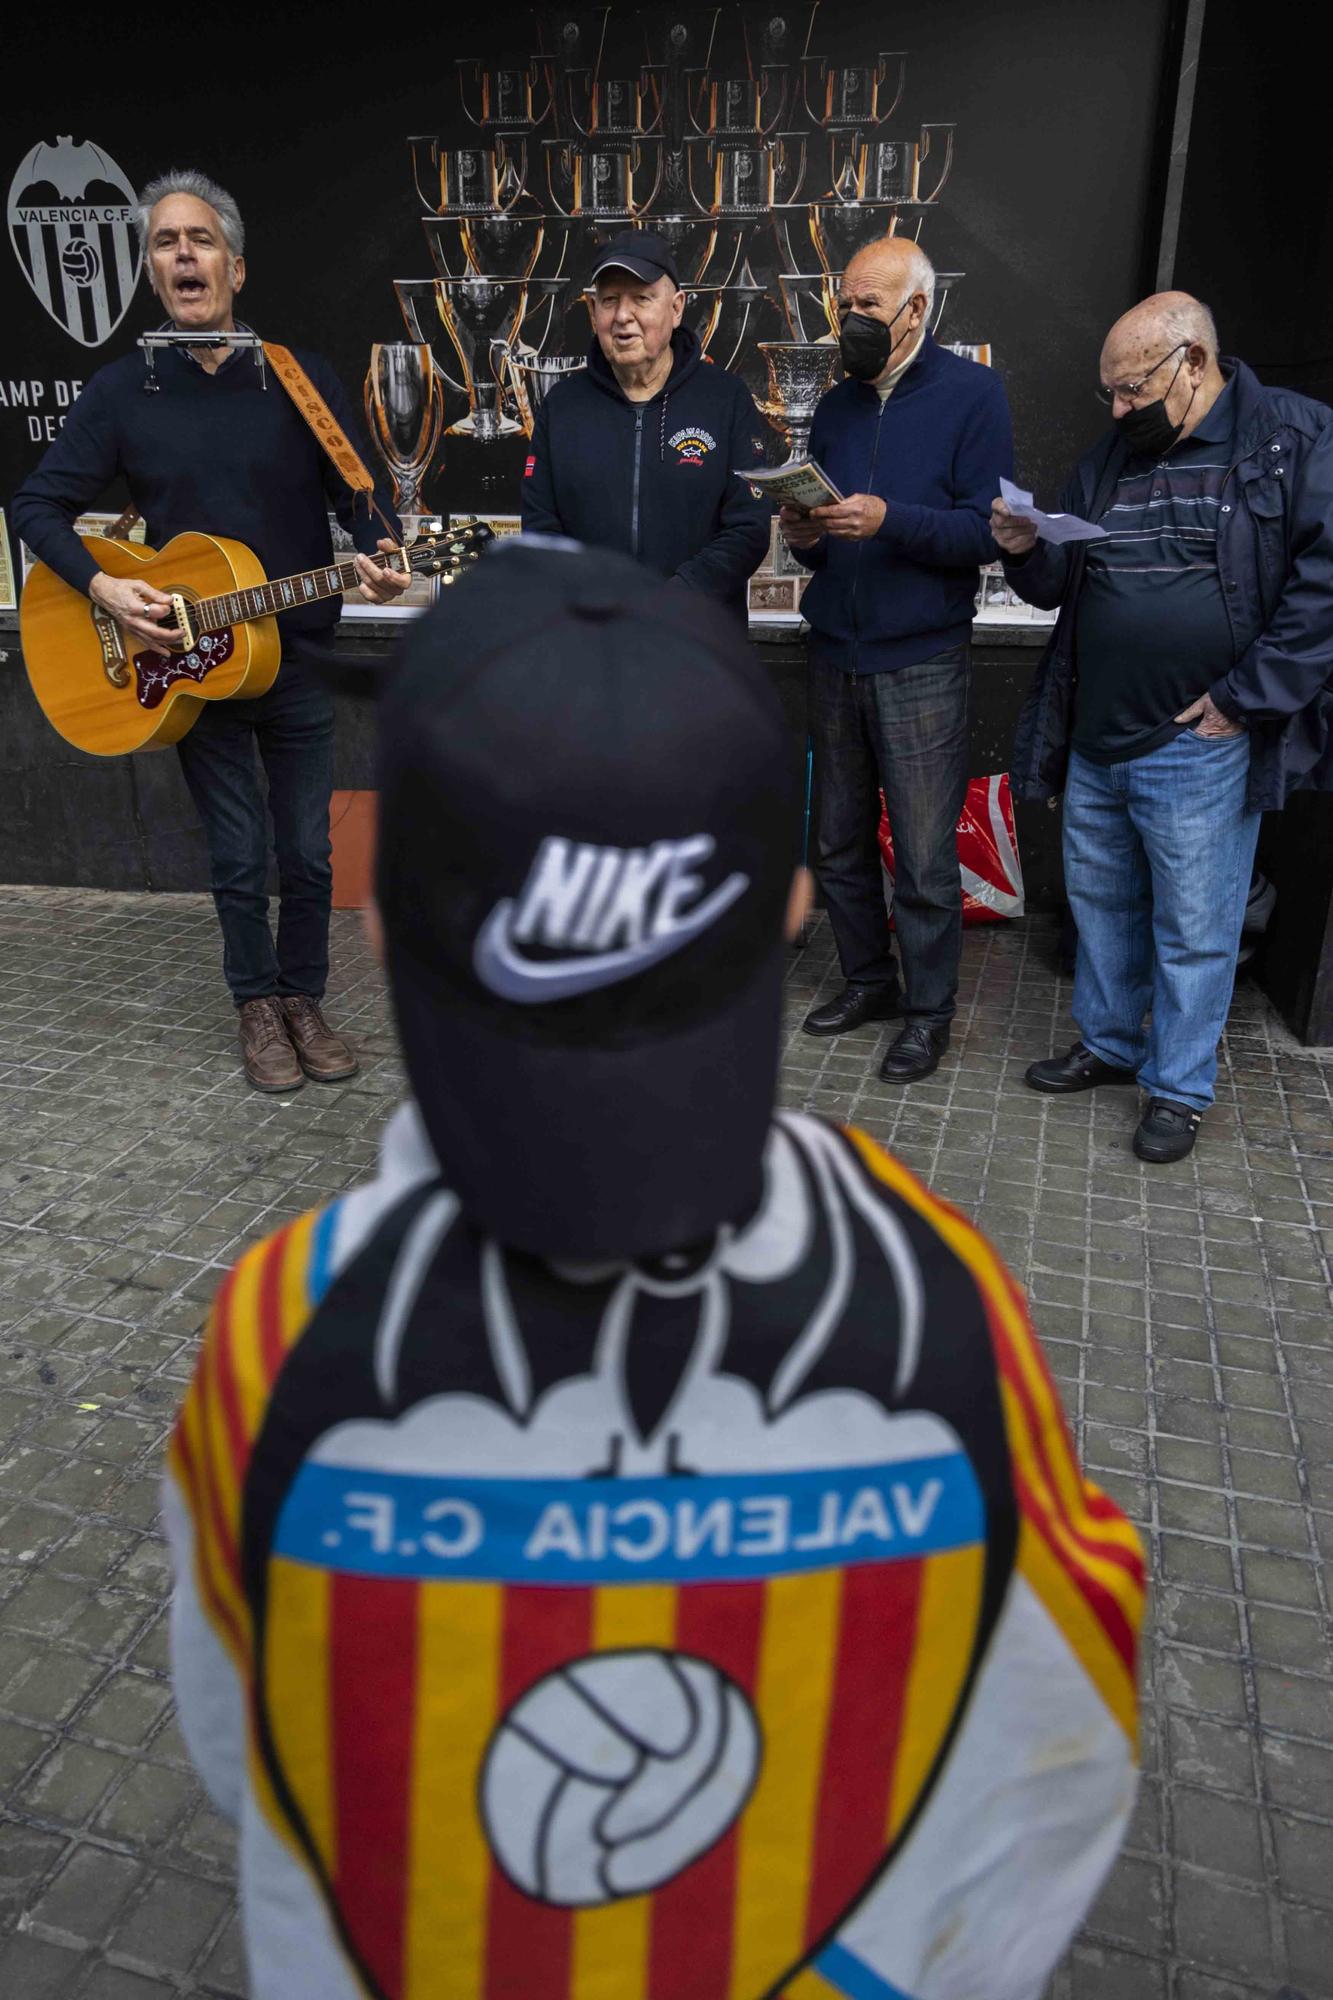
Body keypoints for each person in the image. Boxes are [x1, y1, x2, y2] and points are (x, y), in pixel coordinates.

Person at [164, 540, 1143, 2000]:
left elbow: (245, 1739)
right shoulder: (942, 1310)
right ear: (798, 911)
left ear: (374, 920)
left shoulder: (280, 1342)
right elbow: (1066, 1738)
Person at [11, 169, 409, 1094]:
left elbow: (364, 497)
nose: (183, 254)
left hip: (301, 653)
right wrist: (105, 588)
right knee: (236, 854)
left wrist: (381, 544)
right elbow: (38, 504)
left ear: (235, 263)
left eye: (199, 240)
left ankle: (303, 997)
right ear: (153, 272)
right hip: (186, 660)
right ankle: (255, 1006)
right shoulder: (121, 393)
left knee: (306, 849)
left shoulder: (298, 378)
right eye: (164, 242)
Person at [993, 291, 1333, 1163]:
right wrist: (1024, 547)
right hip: (1098, 733)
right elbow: (1050, 585)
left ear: (1191, 362)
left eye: (1129, 390)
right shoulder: (1115, 454)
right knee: (1101, 906)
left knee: (1193, 925)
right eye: (1108, 393)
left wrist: (1243, 698)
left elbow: (1321, 593)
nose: (1115, 410)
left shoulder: (1290, 439)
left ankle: (1177, 1088)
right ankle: (1108, 1046)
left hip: (1199, 742)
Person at [781, 238, 1014, 1083]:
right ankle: (867, 983)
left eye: (868, 305)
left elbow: (983, 531)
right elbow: (827, 545)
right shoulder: (838, 407)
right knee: (837, 843)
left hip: (921, 659)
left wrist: (892, 520)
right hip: (834, 653)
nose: (850, 319)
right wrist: (805, 535)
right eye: (843, 303)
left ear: (917, 310)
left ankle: (927, 1013)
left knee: (919, 857)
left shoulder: (971, 394)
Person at [519, 230, 769, 621]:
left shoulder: (726, 399)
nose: (622, 316)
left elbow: (748, 529)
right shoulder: (562, 406)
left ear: (676, 308)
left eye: (641, 298)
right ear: (592, 310)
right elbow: (540, 528)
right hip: (590, 641)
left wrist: (670, 601)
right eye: (609, 300)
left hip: (698, 646)